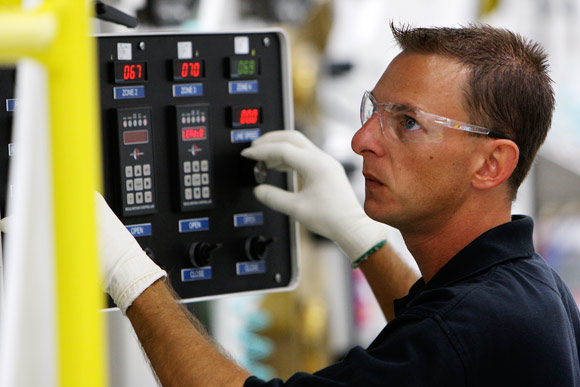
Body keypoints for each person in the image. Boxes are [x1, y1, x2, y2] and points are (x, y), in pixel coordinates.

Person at [6, 23, 579, 386]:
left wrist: (129, 273)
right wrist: (361, 237)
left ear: (492, 164)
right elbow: (431, 326)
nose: (362, 141)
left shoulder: (478, 325)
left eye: (406, 123)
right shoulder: (524, 289)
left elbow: (445, 338)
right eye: (372, 110)